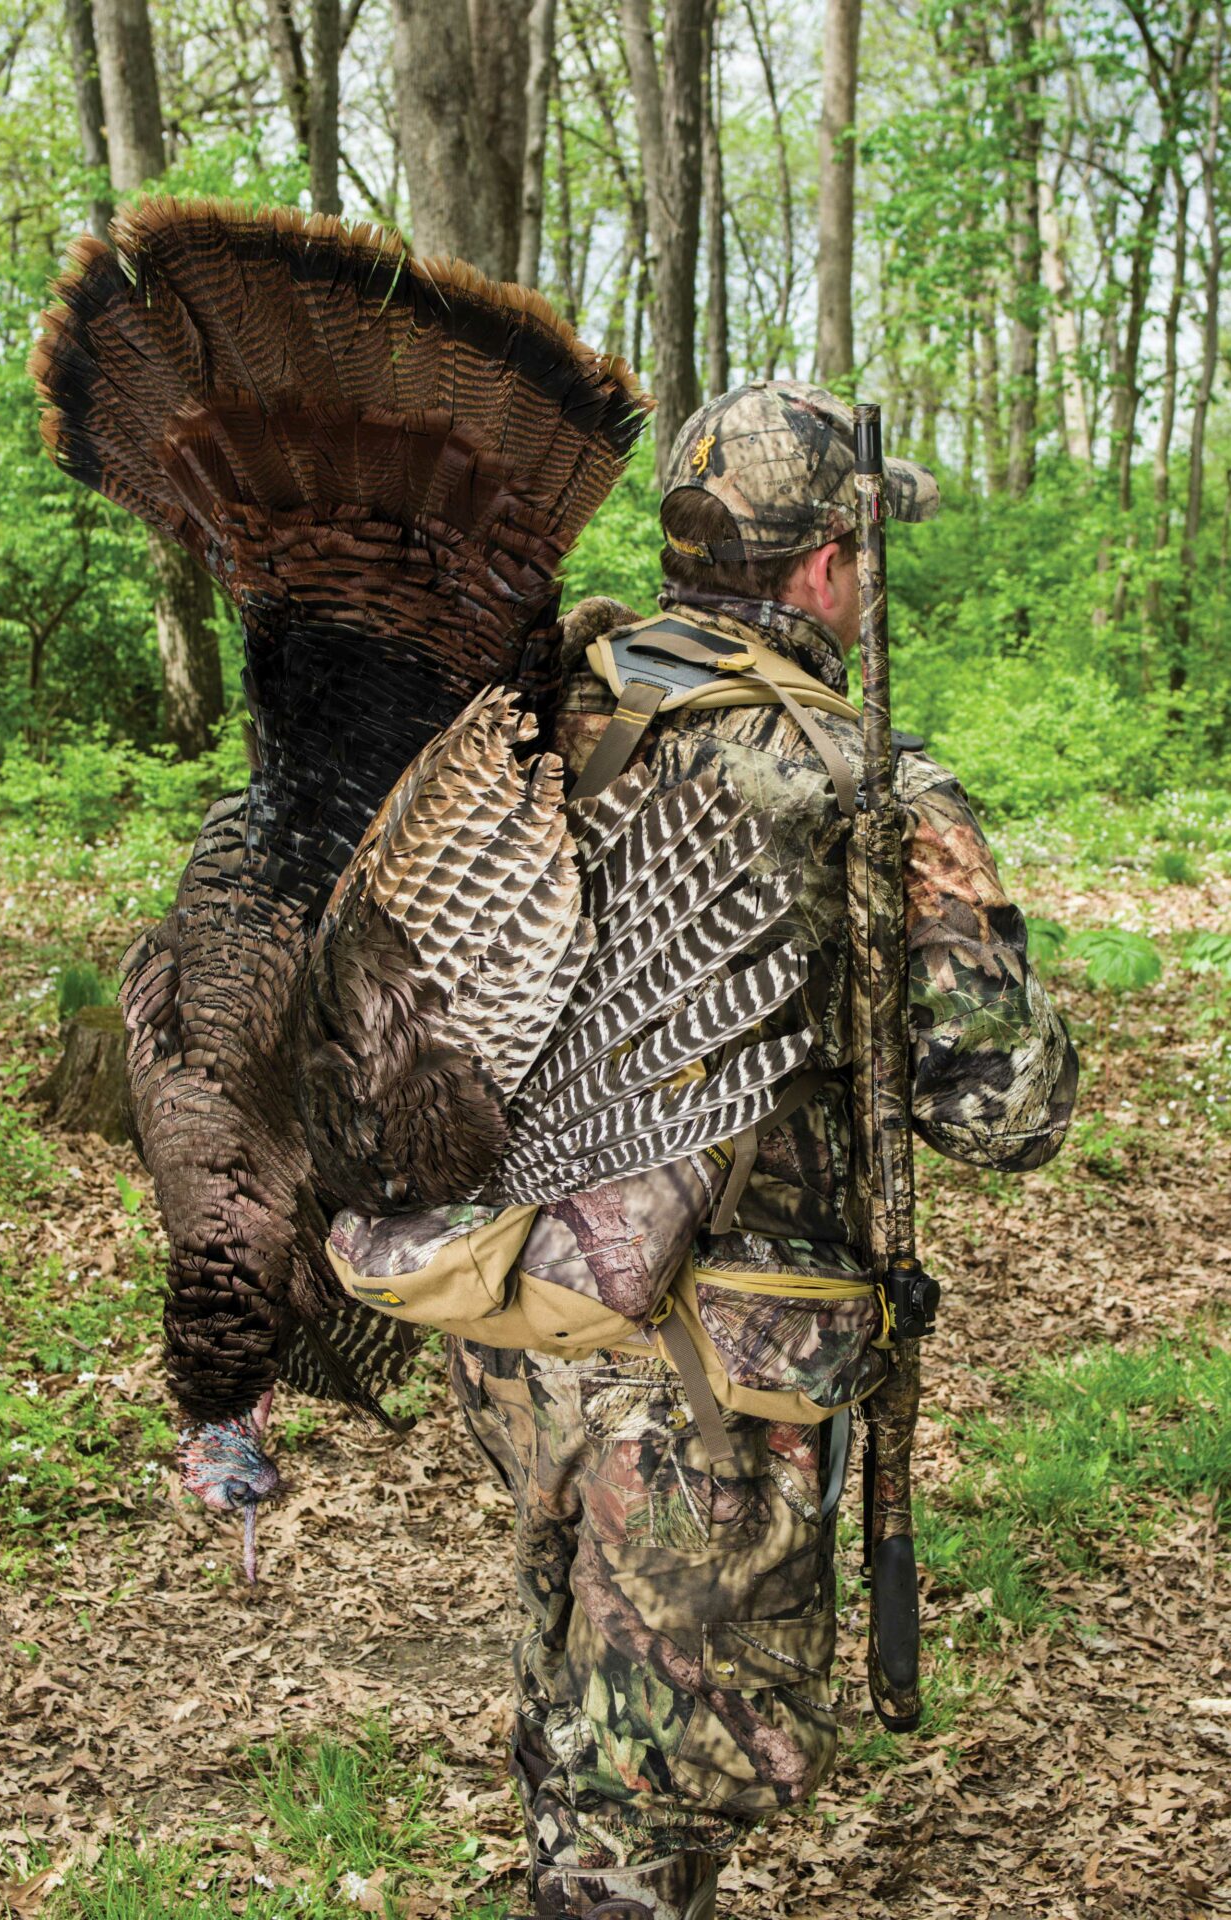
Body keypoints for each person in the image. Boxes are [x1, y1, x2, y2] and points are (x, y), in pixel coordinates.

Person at [438, 383, 1079, 1920]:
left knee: (579, 1699)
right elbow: (1007, 1106)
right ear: (819, 568)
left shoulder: (531, 722)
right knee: (648, 1786)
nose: (865, 584)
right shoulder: (860, 784)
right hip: (710, 1376)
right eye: (863, 551)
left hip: (515, 1326)